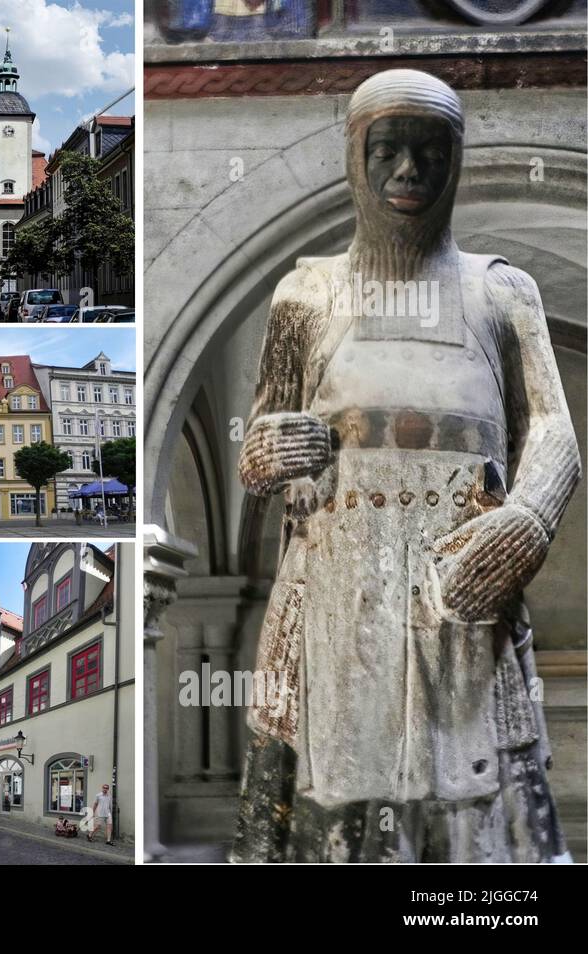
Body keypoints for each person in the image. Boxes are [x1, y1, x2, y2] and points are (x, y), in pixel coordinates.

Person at [233, 70, 579, 863]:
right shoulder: (306, 291)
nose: (407, 173)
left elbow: (552, 427)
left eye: (428, 152)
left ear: (455, 159)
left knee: (480, 821)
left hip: (461, 581)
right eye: (386, 150)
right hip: (334, 590)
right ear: (356, 158)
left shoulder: (503, 291)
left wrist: (527, 520)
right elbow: (260, 439)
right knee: (334, 804)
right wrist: (266, 449)